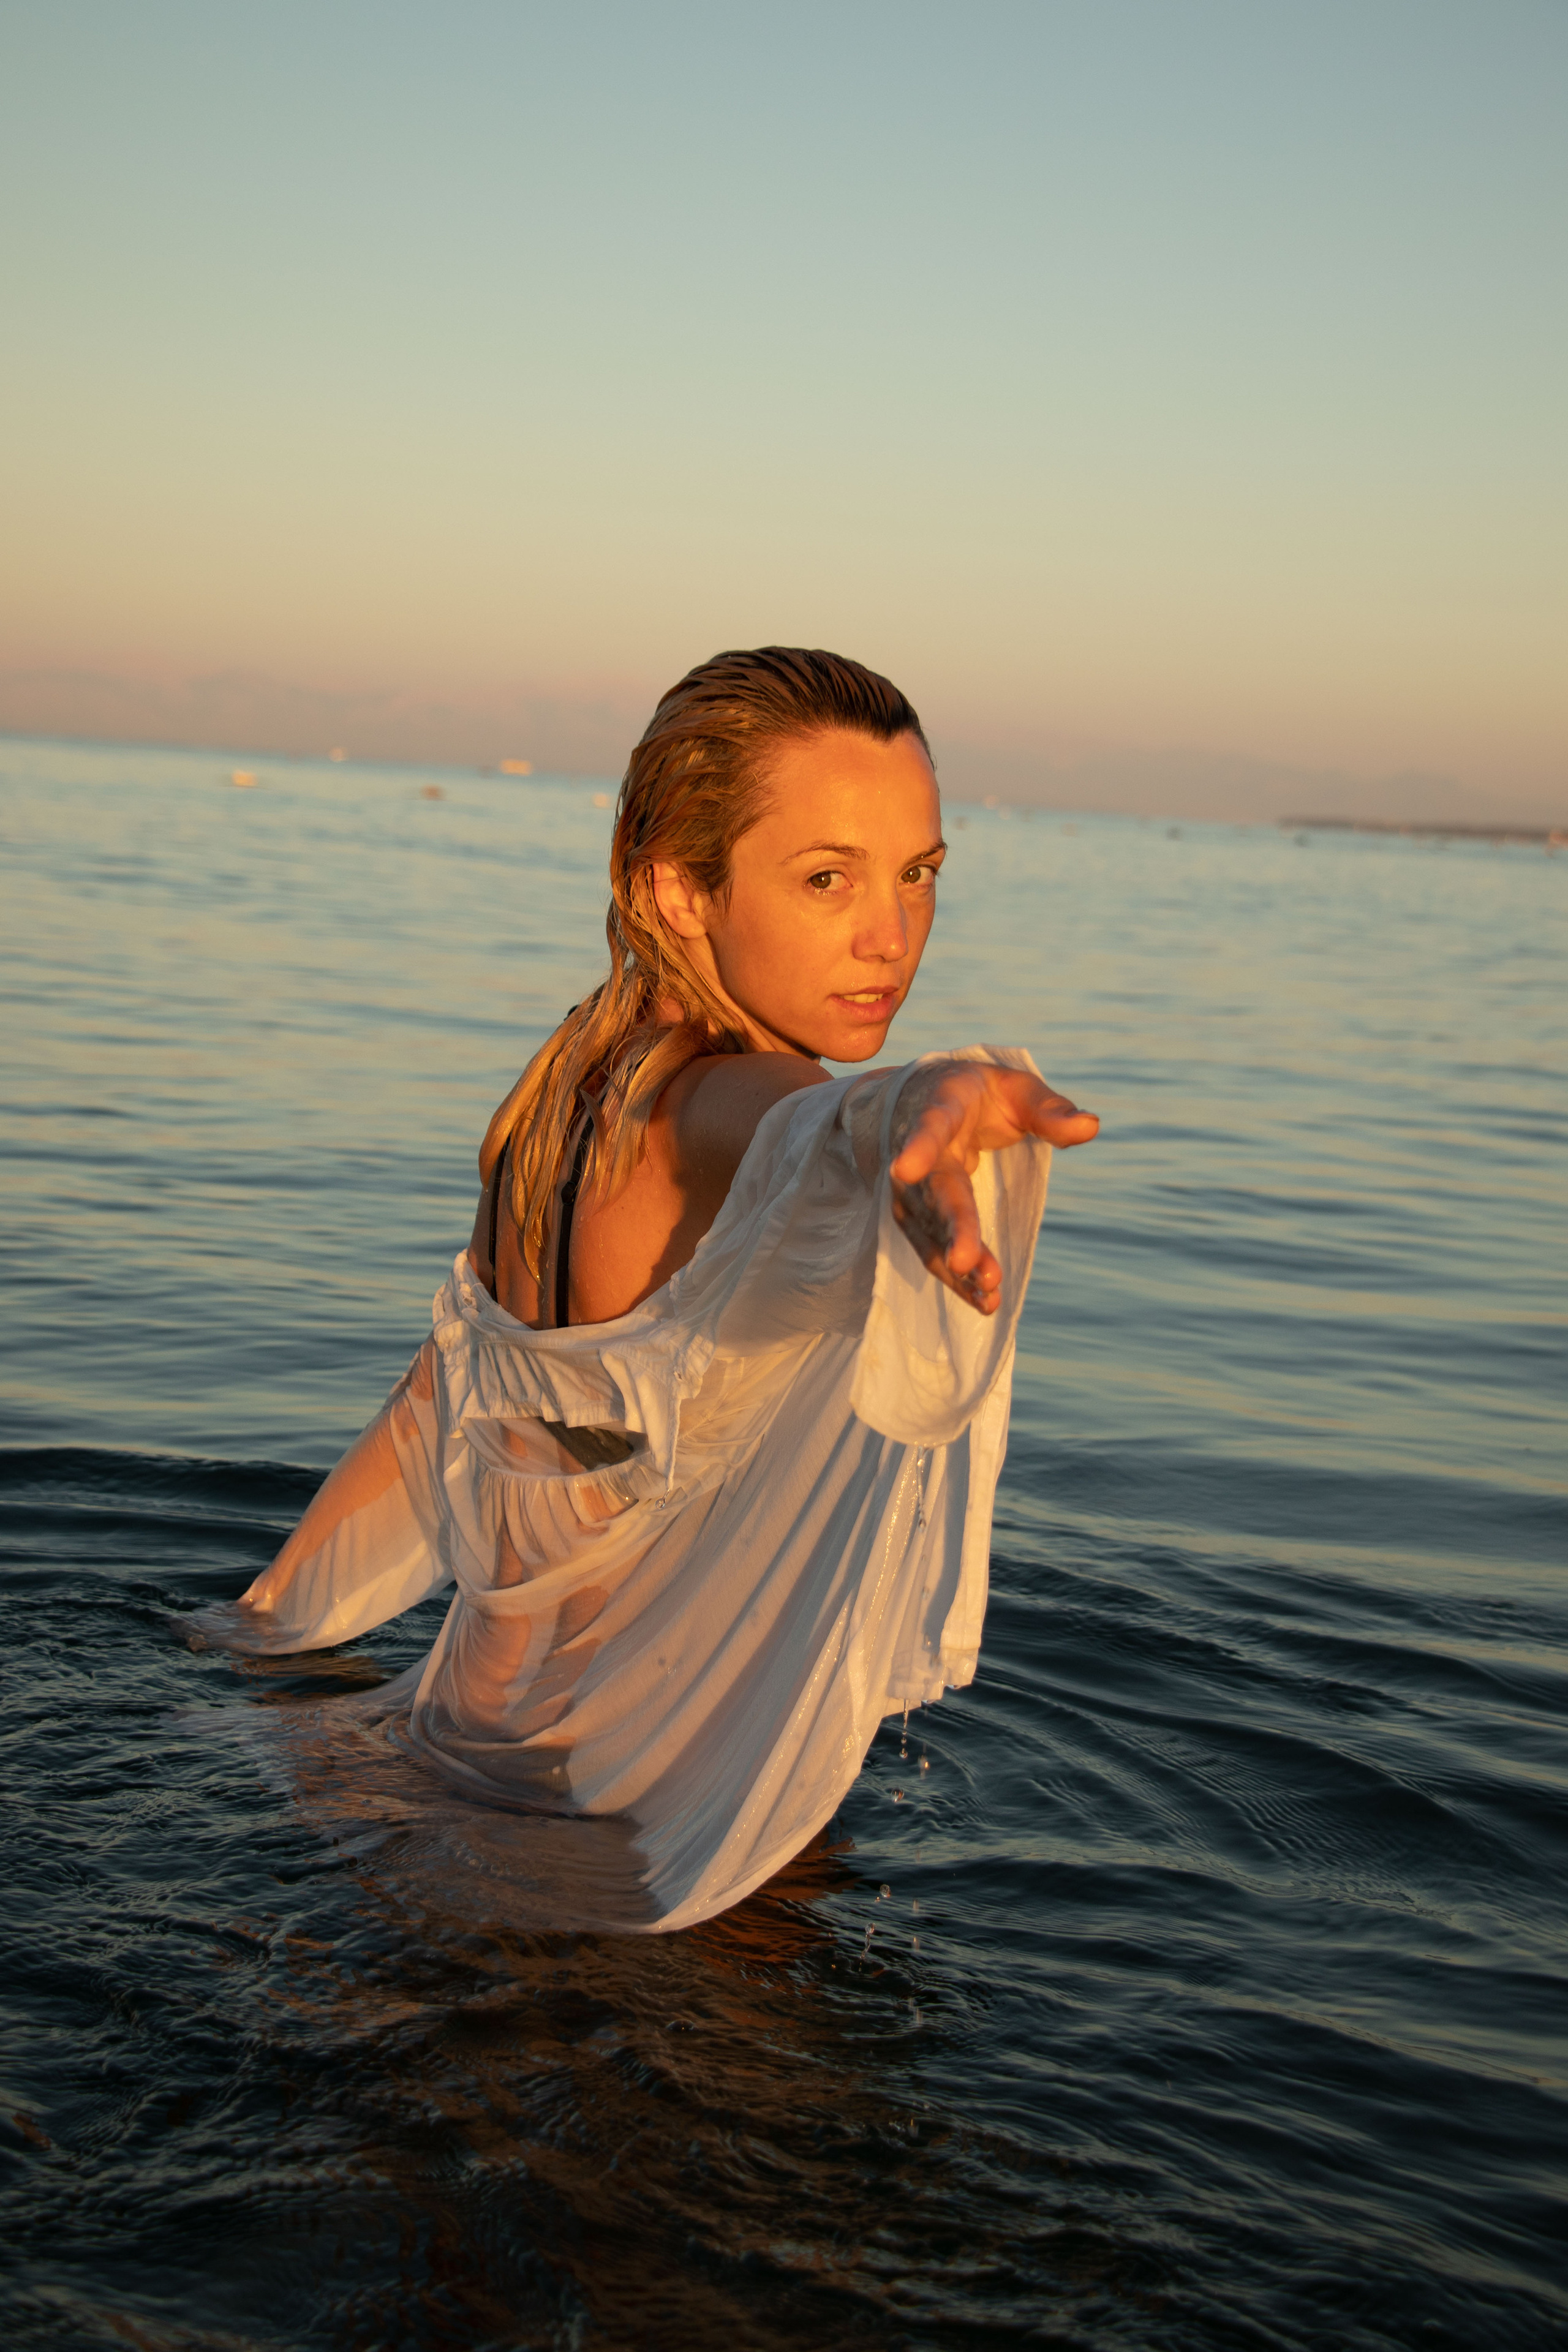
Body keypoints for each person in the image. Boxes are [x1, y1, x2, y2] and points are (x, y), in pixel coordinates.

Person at [190, 648, 1098, 1932]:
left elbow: (450, 1395)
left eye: (918, 875)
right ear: (678, 887)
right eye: (825, 878)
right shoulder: (708, 1110)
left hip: (444, 1767)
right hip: (614, 1812)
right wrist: (921, 1097)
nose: (889, 934)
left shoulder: (564, 1096)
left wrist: (264, 1627)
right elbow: (814, 1129)